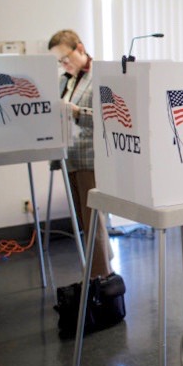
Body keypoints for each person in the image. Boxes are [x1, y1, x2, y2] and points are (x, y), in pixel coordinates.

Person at [47, 30, 113, 280]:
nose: (64, 64)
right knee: (85, 223)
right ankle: (101, 267)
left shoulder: (101, 76)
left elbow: (108, 118)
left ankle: (100, 277)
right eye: (59, 61)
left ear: (80, 48)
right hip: (69, 157)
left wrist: (76, 112)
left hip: (90, 159)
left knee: (93, 222)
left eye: (66, 58)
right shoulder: (66, 80)